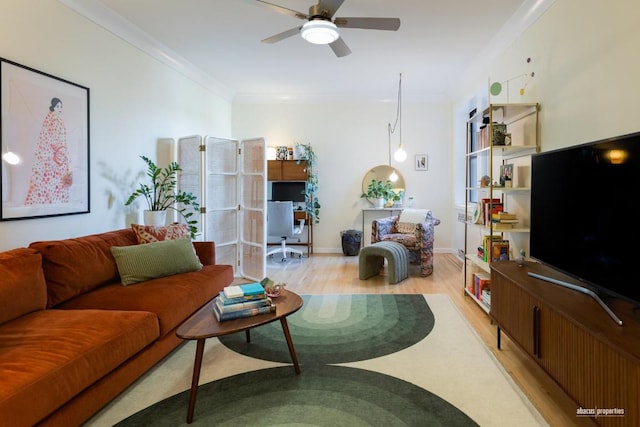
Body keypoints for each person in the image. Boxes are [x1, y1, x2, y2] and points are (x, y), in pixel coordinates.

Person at [25, 97, 73, 204]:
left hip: (58, 153)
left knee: (55, 180)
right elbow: (54, 139)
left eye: (61, 107)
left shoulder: (53, 119)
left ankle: (53, 202)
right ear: (53, 107)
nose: (60, 108)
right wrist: (61, 152)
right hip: (56, 155)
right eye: (58, 106)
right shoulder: (54, 120)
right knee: (53, 179)